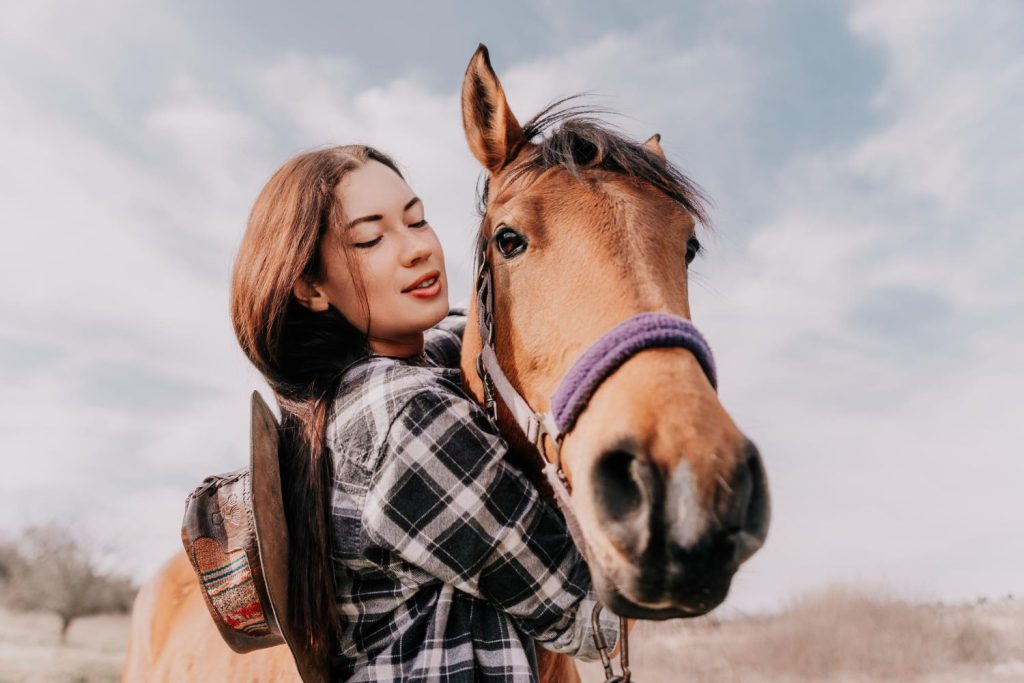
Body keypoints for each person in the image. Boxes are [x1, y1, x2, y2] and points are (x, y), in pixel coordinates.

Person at [229, 145, 618, 681]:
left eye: (418, 220)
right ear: (311, 287)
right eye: (370, 238)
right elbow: (593, 621)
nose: (416, 249)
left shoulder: (341, 397)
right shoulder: (407, 418)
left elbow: (473, 337)